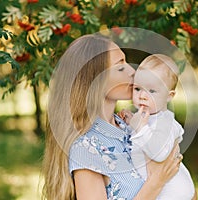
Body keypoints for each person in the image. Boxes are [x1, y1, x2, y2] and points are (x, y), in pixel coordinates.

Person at [42, 34, 184, 200]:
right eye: (120, 66)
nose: (132, 71)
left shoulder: (128, 125)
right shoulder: (86, 149)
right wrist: (156, 183)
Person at [118, 54, 197, 200]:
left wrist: (139, 128)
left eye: (152, 91)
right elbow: (137, 142)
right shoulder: (143, 118)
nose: (142, 95)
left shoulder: (165, 122)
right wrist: (130, 123)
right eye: (137, 89)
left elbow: (159, 153)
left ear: (169, 96)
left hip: (175, 192)